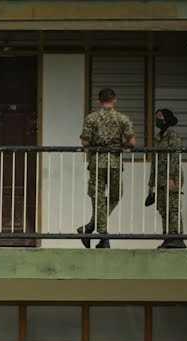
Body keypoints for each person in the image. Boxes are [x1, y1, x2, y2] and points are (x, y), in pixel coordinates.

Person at [77, 87, 136, 249]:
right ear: (114, 100)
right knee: (115, 195)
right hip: (115, 161)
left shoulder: (91, 118)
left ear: (99, 101)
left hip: (97, 161)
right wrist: (119, 146)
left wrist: (96, 147)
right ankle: (102, 236)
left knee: (98, 197)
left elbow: (85, 142)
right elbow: (132, 143)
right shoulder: (122, 119)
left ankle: (90, 228)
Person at [146, 108, 184, 250]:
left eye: (160, 116)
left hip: (171, 177)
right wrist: (151, 184)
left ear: (167, 118)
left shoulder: (172, 135)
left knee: (172, 207)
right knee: (163, 207)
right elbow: (155, 161)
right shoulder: (158, 137)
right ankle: (168, 237)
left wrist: (171, 177)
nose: (158, 119)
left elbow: (175, 157)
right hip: (160, 178)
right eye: (156, 117)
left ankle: (177, 237)